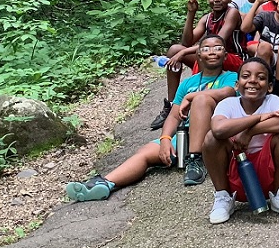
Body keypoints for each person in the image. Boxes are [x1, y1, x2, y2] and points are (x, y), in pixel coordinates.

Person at [67, 36, 238, 200]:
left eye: (218, 48)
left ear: (225, 54)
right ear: (199, 54)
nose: (212, 51)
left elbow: (227, 92)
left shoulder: (231, 77)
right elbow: (173, 115)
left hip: (211, 137)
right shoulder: (188, 83)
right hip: (186, 135)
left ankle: (195, 159)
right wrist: (165, 139)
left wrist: (192, 97)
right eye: (206, 48)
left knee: (201, 99)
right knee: (145, 152)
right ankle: (105, 183)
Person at [202, 57, 279, 223]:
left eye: (261, 77)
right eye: (246, 76)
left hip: (268, 173)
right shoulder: (228, 104)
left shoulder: (272, 101)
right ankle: (223, 198)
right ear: (237, 84)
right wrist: (258, 117)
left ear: (270, 87)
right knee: (211, 138)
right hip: (235, 171)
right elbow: (219, 129)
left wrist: (250, 132)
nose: (253, 81)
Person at [151, 0, 246, 129]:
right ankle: (172, 105)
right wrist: (191, 13)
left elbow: (217, 43)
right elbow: (186, 41)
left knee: (203, 53)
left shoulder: (232, 13)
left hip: (234, 58)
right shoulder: (207, 18)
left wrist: (184, 52)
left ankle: (196, 100)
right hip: (214, 56)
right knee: (174, 49)